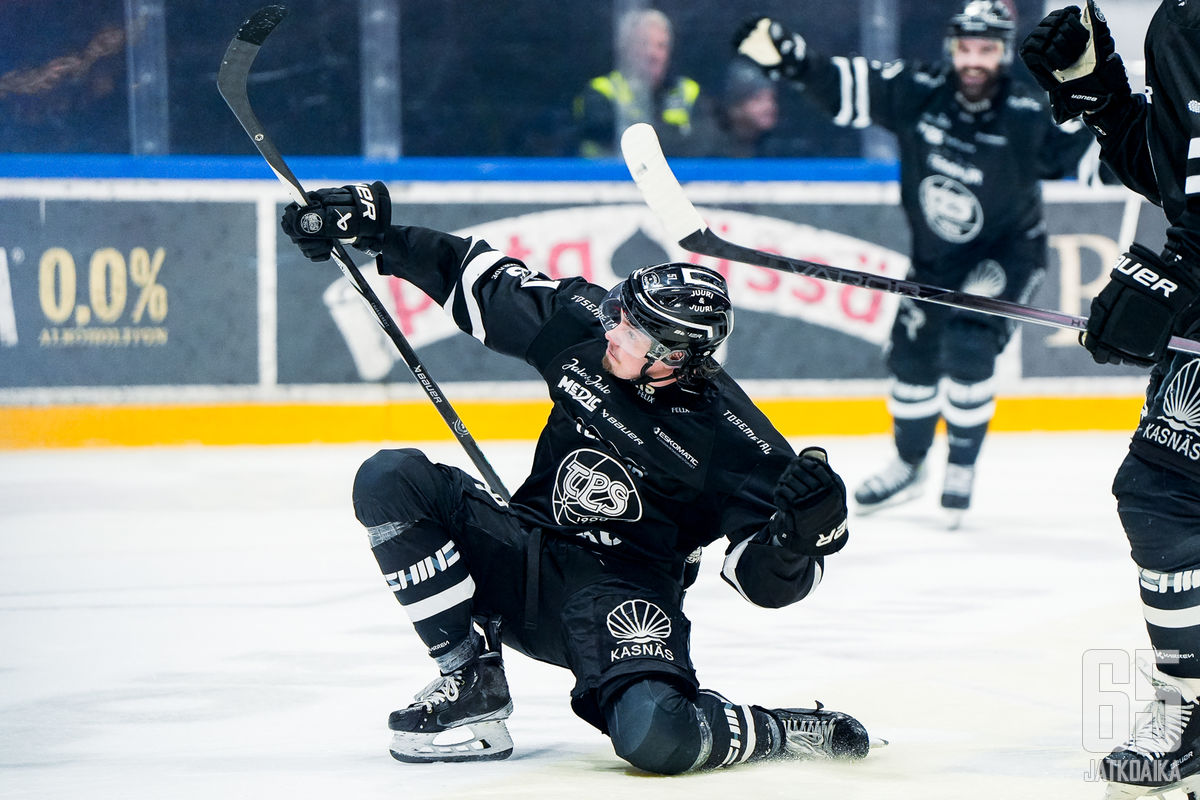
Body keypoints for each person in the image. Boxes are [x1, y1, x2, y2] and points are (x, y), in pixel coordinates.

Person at [278, 181, 875, 773]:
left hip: (620, 599)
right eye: (620, 316)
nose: (613, 331)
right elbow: (477, 278)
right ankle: (470, 680)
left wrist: (799, 537)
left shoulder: (736, 442)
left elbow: (764, 584)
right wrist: (378, 234)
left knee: (659, 738)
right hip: (521, 551)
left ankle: (778, 728)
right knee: (390, 477)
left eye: (633, 331)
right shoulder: (589, 329)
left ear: (675, 356)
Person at [734, 0, 1094, 528]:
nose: (974, 60)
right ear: (952, 49)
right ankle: (909, 464)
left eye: (987, 49)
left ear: (1002, 54)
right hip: (935, 263)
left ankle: (962, 467)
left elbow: (1092, 151)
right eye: (965, 47)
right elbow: (846, 85)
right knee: (911, 359)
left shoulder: (1025, 114)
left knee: (968, 347)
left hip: (1007, 256)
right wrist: (793, 61)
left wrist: (1143, 124)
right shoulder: (918, 91)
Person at [1019, 1, 1200, 795]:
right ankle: (1188, 698)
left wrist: (1181, 275)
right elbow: (1178, 174)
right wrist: (1100, 96)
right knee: (1161, 496)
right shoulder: (1182, 23)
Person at [573, 8, 708, 158]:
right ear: (625, 49)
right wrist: (675, 134)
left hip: (676, 180)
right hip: (607, 179)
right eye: (644, 44)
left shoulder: (689, 92)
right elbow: (605, 130)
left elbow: (706, 142)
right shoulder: (600, 91)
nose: (653, 54)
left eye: (661, 46)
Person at [705, 55, 783, 158]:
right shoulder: (708, 147)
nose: (769, 106)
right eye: (757, 99)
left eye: (772, 98)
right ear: (734, 107)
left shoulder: (781, 149)